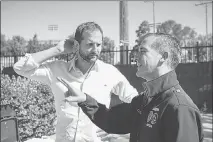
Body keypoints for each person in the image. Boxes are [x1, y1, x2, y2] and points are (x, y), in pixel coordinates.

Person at [58, 33, 204, 142]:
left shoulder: (179, 107)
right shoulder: (145, 99)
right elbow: (113, 119)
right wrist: (84, 99)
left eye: (142, 51)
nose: (135, 56)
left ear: (163, 57)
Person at [13, 22, 138, 142]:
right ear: (77, 45)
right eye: (90, 44)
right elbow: (20, 68)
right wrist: (57, 49)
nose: (95, 50)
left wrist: (123, 130)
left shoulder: (109, 72)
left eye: (98, 45)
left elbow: (137, 101)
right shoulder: (56, 70)